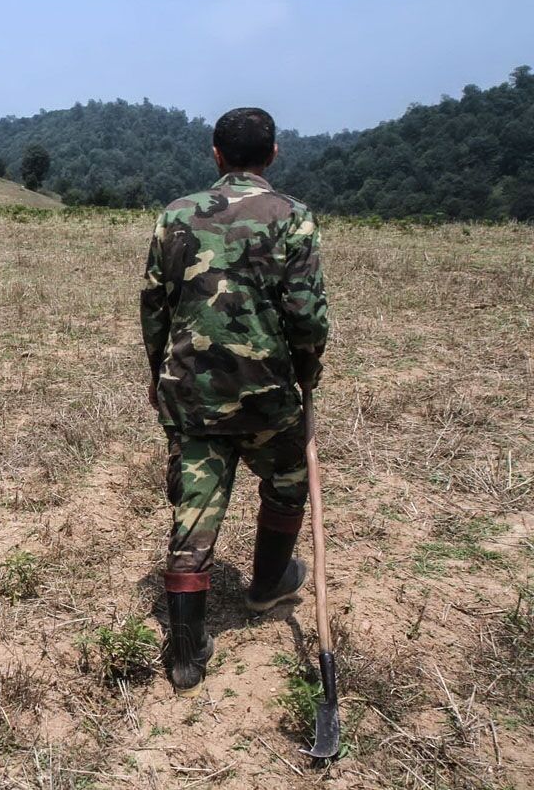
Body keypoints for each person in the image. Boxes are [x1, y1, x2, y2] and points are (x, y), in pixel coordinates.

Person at [139, 107, 329, 697]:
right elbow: (306, 315)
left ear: (215, 154)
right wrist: (307, 373)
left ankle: (187, 655)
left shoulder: (175, 215)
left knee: (193, 511)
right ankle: (268, 582)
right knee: (289, 479)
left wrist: (160, 373)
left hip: (192, 392)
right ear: (273, 154)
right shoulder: (292, 218)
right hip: (268, 393)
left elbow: (154, 308)